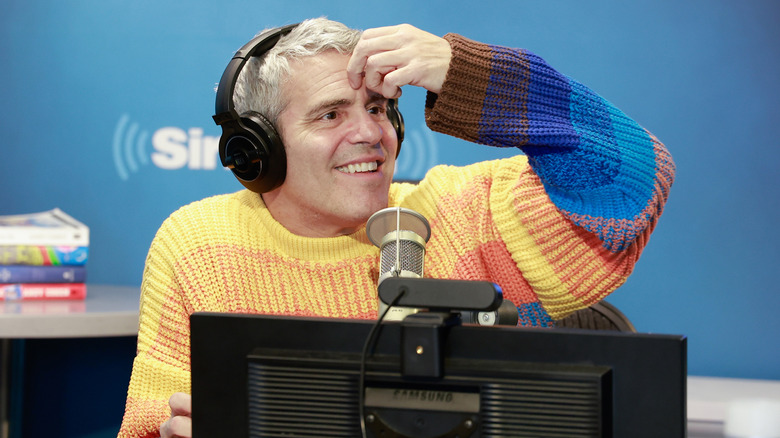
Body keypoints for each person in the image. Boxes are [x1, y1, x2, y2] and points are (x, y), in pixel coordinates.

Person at [118, 17, 674, 438]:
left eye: (380, 108)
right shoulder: (199, 244)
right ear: (258, 149)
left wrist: (467, 73)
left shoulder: (462, 213)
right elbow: (148, 426)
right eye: (331, 113)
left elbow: (634, 180)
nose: (370, 133)